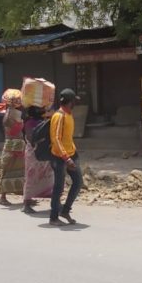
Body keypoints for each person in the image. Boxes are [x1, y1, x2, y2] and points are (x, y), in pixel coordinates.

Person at [49, 89, 83, 226]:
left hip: (71, 154)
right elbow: (56, 139)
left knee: (78, 182)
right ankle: (53, 217)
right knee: (58, 187)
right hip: (60, 157)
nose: (75, 103)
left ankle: (65, 210)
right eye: (74, 100)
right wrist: (66, 158)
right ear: (70, 102)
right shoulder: (59, 116)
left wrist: (72, 153)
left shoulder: (69, 115)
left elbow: (67, 137)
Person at [21, 106, 54, 214]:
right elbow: (32, 138)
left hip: (43, 152)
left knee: (48, 175)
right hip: (33, 153)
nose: (43, 112)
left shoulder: (41, 121)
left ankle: (52, 199)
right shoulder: (29, 123)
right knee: (31, 176)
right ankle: (26, 202)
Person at [0, 91, 25, 206]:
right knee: (9, 170)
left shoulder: (10, 113)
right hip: (13, 146)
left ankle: (24, 196)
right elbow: (14, 130)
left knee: (19, 170)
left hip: (14, 145)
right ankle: (3, 196)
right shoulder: (11, 115)